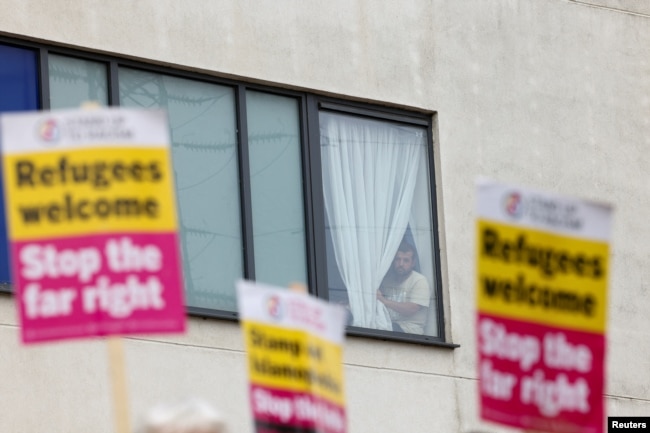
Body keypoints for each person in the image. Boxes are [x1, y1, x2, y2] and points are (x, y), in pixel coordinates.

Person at [376, 241, 431, 334]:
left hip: (409, 330)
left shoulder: (419, 281)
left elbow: (411, 309)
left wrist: (384, 301)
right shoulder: (387, 280)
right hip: (388, 325)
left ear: (413, 263)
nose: (401, 264)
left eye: (406, 260)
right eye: (398, 259)